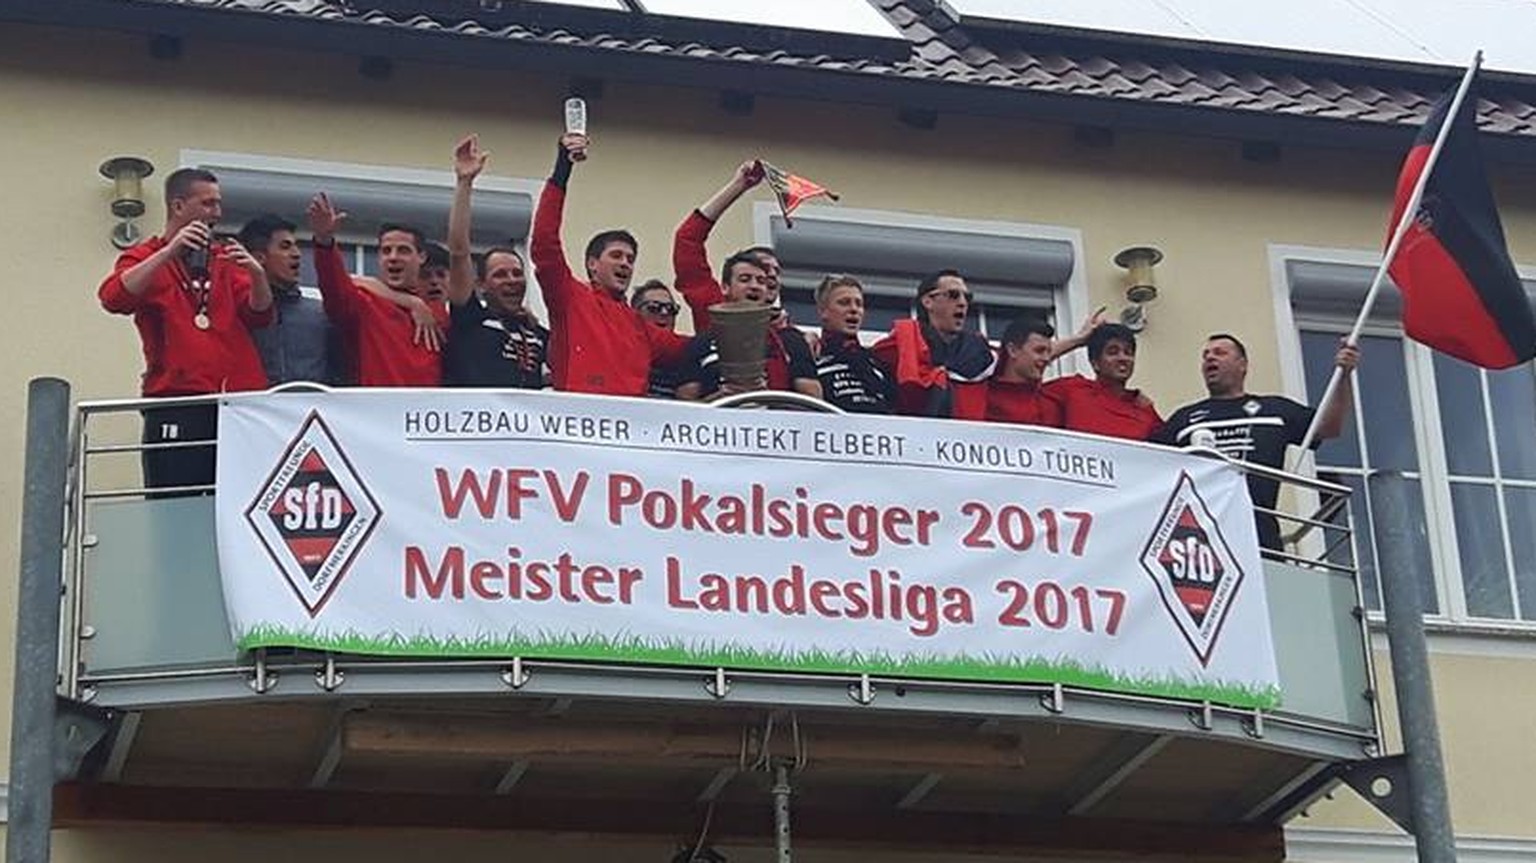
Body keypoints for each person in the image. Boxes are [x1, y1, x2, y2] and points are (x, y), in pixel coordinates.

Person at [97, 167, 273, 492]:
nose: (217, 213)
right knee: (174, 505)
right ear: (178, 207)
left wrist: (258, 274)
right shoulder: (146, 256)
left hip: (235, 405)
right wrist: (169, 253)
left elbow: (259, 314)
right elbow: (113, 298)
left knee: (237, 505)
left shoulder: (225, 257)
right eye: (207, 204)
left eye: (218, 204)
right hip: (175, 402)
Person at [1154, 333, 1360, 550]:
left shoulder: (1274, 410)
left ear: (1242, 365)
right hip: (1196, 538)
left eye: (1220, 353)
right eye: (1205, 355)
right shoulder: (1185, 419)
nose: (1210, 358)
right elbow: (1148, 463)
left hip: (1260, 535)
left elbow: (1328, 427)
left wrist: (1344, 375)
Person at [530, 131, 689, 395]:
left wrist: (745, 324)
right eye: (616, 255)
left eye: (630, 259)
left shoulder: (638, 325)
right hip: (577, 422)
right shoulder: (570, 297)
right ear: (592, 264)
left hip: (628, 429)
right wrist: (562, 170)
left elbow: (689, 347)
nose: (626, 263)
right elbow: (544, 244)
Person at [441, 135, 549, 390]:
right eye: (500, 275)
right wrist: (464, 183)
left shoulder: (538, 333)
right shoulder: (470, 319)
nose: (512, 280)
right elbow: (458, 251)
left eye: (516, 273)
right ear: (481, 285)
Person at [307, 194, 446, 387]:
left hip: (424, 414)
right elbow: (334, 287)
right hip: (376, 413)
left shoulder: (436, 311)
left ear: (421, 257)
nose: (393, 257)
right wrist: (324, 242)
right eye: (386, 250)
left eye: (403, 250)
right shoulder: (365, 304)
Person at [674, 251, 820, 401]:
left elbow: (813, 400)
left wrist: (770, 398)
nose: (754, 286)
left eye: (761, 281)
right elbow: (686, 406)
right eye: (745, 280)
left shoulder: (790, 339)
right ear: (725, 287)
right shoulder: (702, 342)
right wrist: (723, 398)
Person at [871, 269, 995, 419]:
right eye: (953, 295)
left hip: (968, 436)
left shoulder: (980, 353)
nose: (962, 303)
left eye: (967, 297)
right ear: (928, 302)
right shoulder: (902, 344)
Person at [238, 213, 340, 387]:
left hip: (312, 411)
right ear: (258, 258)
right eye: (285, 247)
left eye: (296, 246)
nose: (297, 254)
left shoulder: (320, 314)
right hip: (249, 411)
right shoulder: (235, 312)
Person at [1052, 323, 1162, 441]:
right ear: (1095, 363)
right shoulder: (1073, 390)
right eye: (1113, 352)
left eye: (1128, 352)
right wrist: (1078, 340)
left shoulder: (1143, 408)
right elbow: (1033, 363)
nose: (1123, 358)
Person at [813, 275, 894, 414]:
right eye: (844, 303)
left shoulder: (876, 361)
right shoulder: (811, 354)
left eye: (859, 304)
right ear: (823, 311)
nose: (854, 309)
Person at [985, 316, 1064, 427]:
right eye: (1039, 351)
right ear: (1013, 350)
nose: (1047, 358)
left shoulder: (1052, 405)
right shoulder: (983, 398)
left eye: (1049, 352)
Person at [631, 279, 685, 399]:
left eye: (671, 309)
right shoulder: (626, 353)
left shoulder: (689, 357)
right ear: (634, 313)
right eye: (654, 308)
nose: (664, 313)